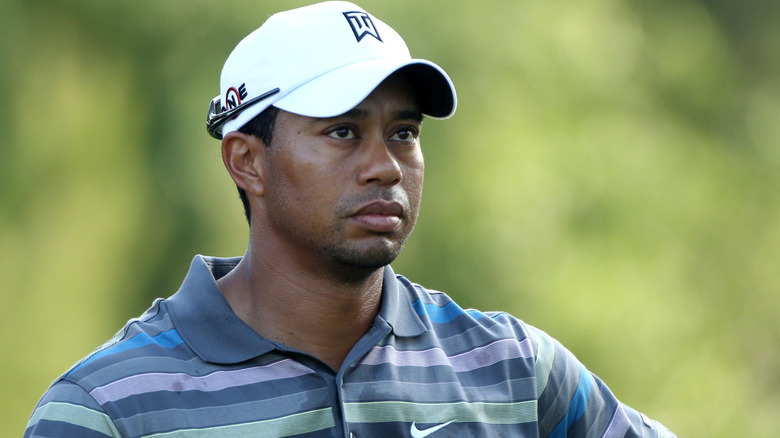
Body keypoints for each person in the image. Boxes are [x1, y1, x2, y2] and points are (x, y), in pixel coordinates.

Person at [24, 2, 675, 437]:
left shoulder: (514, 370)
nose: (386, 166)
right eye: (342, 131)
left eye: (403, 132)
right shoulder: (108, 408)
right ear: (247, 161)